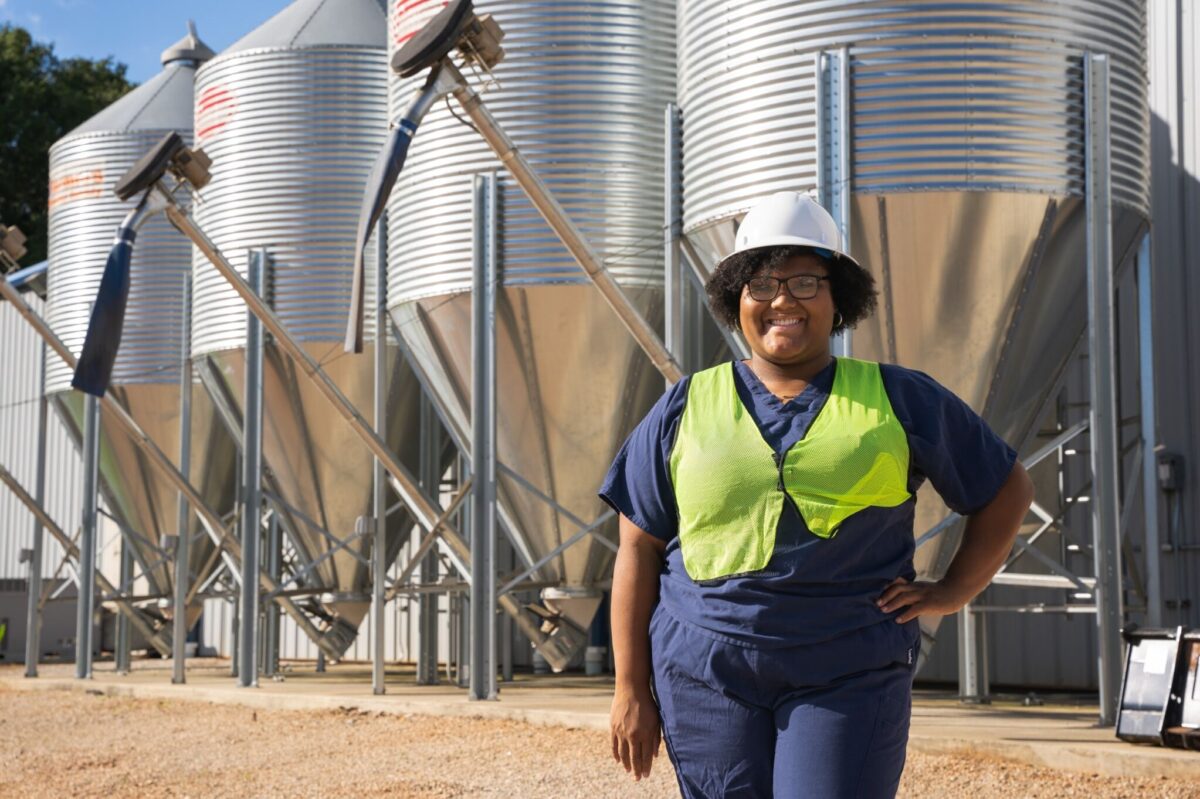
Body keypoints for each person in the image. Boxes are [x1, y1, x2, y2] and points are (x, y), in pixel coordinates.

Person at [599, 191, 1034, 798]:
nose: (783, 299)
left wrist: (953, 591)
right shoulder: (685, 404)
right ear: (735, 298)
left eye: (806, 281)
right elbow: (637, 549)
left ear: (838, 299)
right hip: (704, 672)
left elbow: (1005, 487)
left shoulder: (900, 397)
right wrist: (629, 689)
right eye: (761, 282)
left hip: (847, 667)